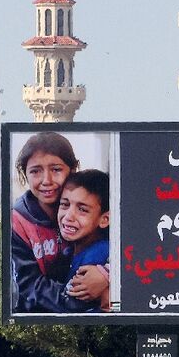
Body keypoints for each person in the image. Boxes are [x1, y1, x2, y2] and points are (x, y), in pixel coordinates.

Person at [10, 132, 107, 313]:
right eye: (35, 171)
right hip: (39, 323)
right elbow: (30, 285)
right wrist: (77, 300)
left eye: (56, 170)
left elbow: (127, 253)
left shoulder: (92, 211)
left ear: (72, 169)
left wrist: (107, 276)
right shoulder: (18, 222)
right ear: (25, 174)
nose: (46, 181)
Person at [58, 170, 111, 312]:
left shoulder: (98, 253)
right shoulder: (69, 250)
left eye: (82, 209)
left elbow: (72, 305)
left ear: (104, 219)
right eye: (64, 204)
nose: (69, 216)